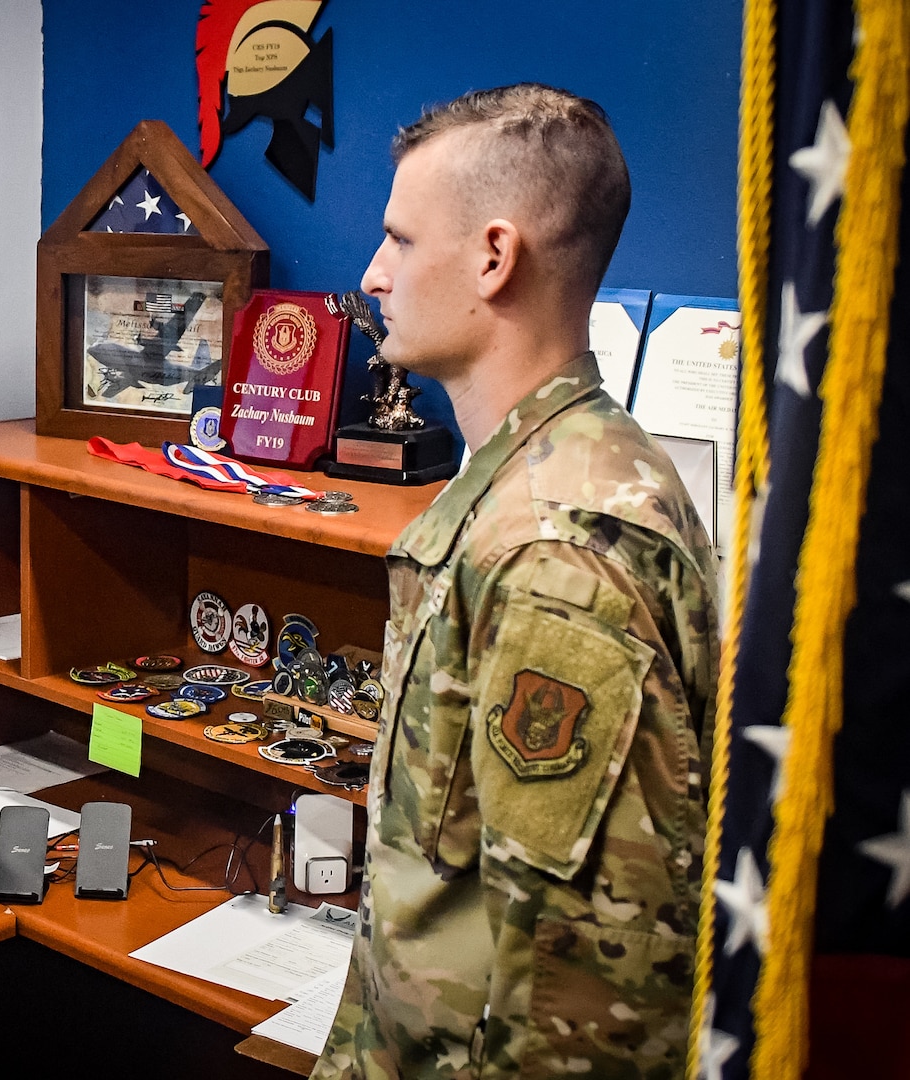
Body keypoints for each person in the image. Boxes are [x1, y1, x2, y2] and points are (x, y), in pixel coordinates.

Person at [311, 84, 719, 1078]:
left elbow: (581, 995)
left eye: (400, 241)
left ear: (494, 258)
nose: (372, 274)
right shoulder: (551, 472)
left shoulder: (556, 555)